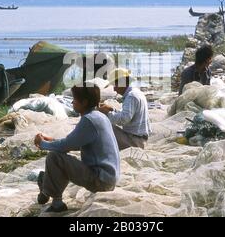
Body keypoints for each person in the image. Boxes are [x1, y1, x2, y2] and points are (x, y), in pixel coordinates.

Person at [34, 84, 120, 213]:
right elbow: (76, 141)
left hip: (100, 180)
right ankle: (47, 190)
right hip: (108, 178)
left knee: (54, 157)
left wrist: (42, 144)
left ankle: (55, 201)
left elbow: (65, 146)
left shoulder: (89, 120)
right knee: (59, 156)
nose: (72, 102)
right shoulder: (100, 116)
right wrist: (51, 140)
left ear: (84, 102)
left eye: (74, 99)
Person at [98, 68, 151, 150]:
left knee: (103, 125)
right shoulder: (136, 92)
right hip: (139, 138)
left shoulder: (131, 96)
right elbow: (128, 115)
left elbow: (124, 119)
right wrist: (111, 109)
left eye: (115, 85)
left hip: (135, 141)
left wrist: (107, 114)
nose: (114, 89)